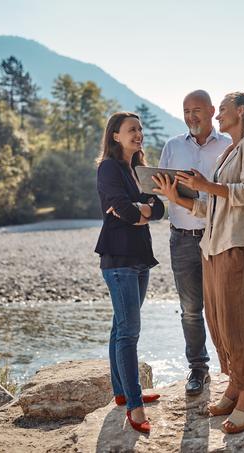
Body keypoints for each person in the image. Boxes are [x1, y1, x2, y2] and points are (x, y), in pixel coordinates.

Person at [154, 90, 244, 434]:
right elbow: (215, 206)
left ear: (240, 111)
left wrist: (205, 184)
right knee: (218, 321)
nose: (219, 116)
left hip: (236, 245)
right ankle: (235, 387)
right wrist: (175, 196)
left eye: (223, 110)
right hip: (213, 245)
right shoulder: (233, 150)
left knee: (237, 322)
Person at [95, 111, 165, 434]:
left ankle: (122, 393)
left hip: (140, 258)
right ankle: (135, 406)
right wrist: (139, 211)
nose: (138, 134)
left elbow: (161, 207)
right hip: (119, 259)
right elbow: (122, 209)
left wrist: (143, 210)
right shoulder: (109, 168)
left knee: (119, 328)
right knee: (129, 332)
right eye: (130, 130)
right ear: (115, 136)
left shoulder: (139, 170)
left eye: (139, 129)